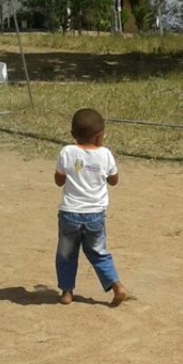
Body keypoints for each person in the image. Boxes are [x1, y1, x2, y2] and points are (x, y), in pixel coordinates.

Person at [54, 108, 127, 306]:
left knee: (66, 254)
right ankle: (116, 286)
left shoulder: (67, 152)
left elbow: (59, 181)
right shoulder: (105, 155)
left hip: (70, 214)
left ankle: (67, 292)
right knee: (98, 252)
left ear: (73, 134)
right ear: (99, 135)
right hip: (95, 216)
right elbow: (114, 181)